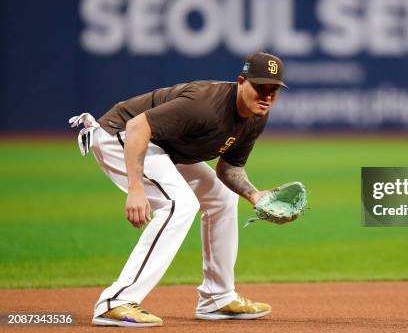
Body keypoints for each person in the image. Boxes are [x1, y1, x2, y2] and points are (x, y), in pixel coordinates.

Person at [73, 52, 286, 327]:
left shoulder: (256, 117)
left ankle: (217, 298)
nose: (267, 95)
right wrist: (135, 188)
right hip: (120, 135)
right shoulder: (205, 105)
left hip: (163, 147)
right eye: (261, 87)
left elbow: (228, 169)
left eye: (274, 90)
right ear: (241, 81)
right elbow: (138, 126)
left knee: (222, 198)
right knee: (179, 204)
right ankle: (115, 302)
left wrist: (255, 196)